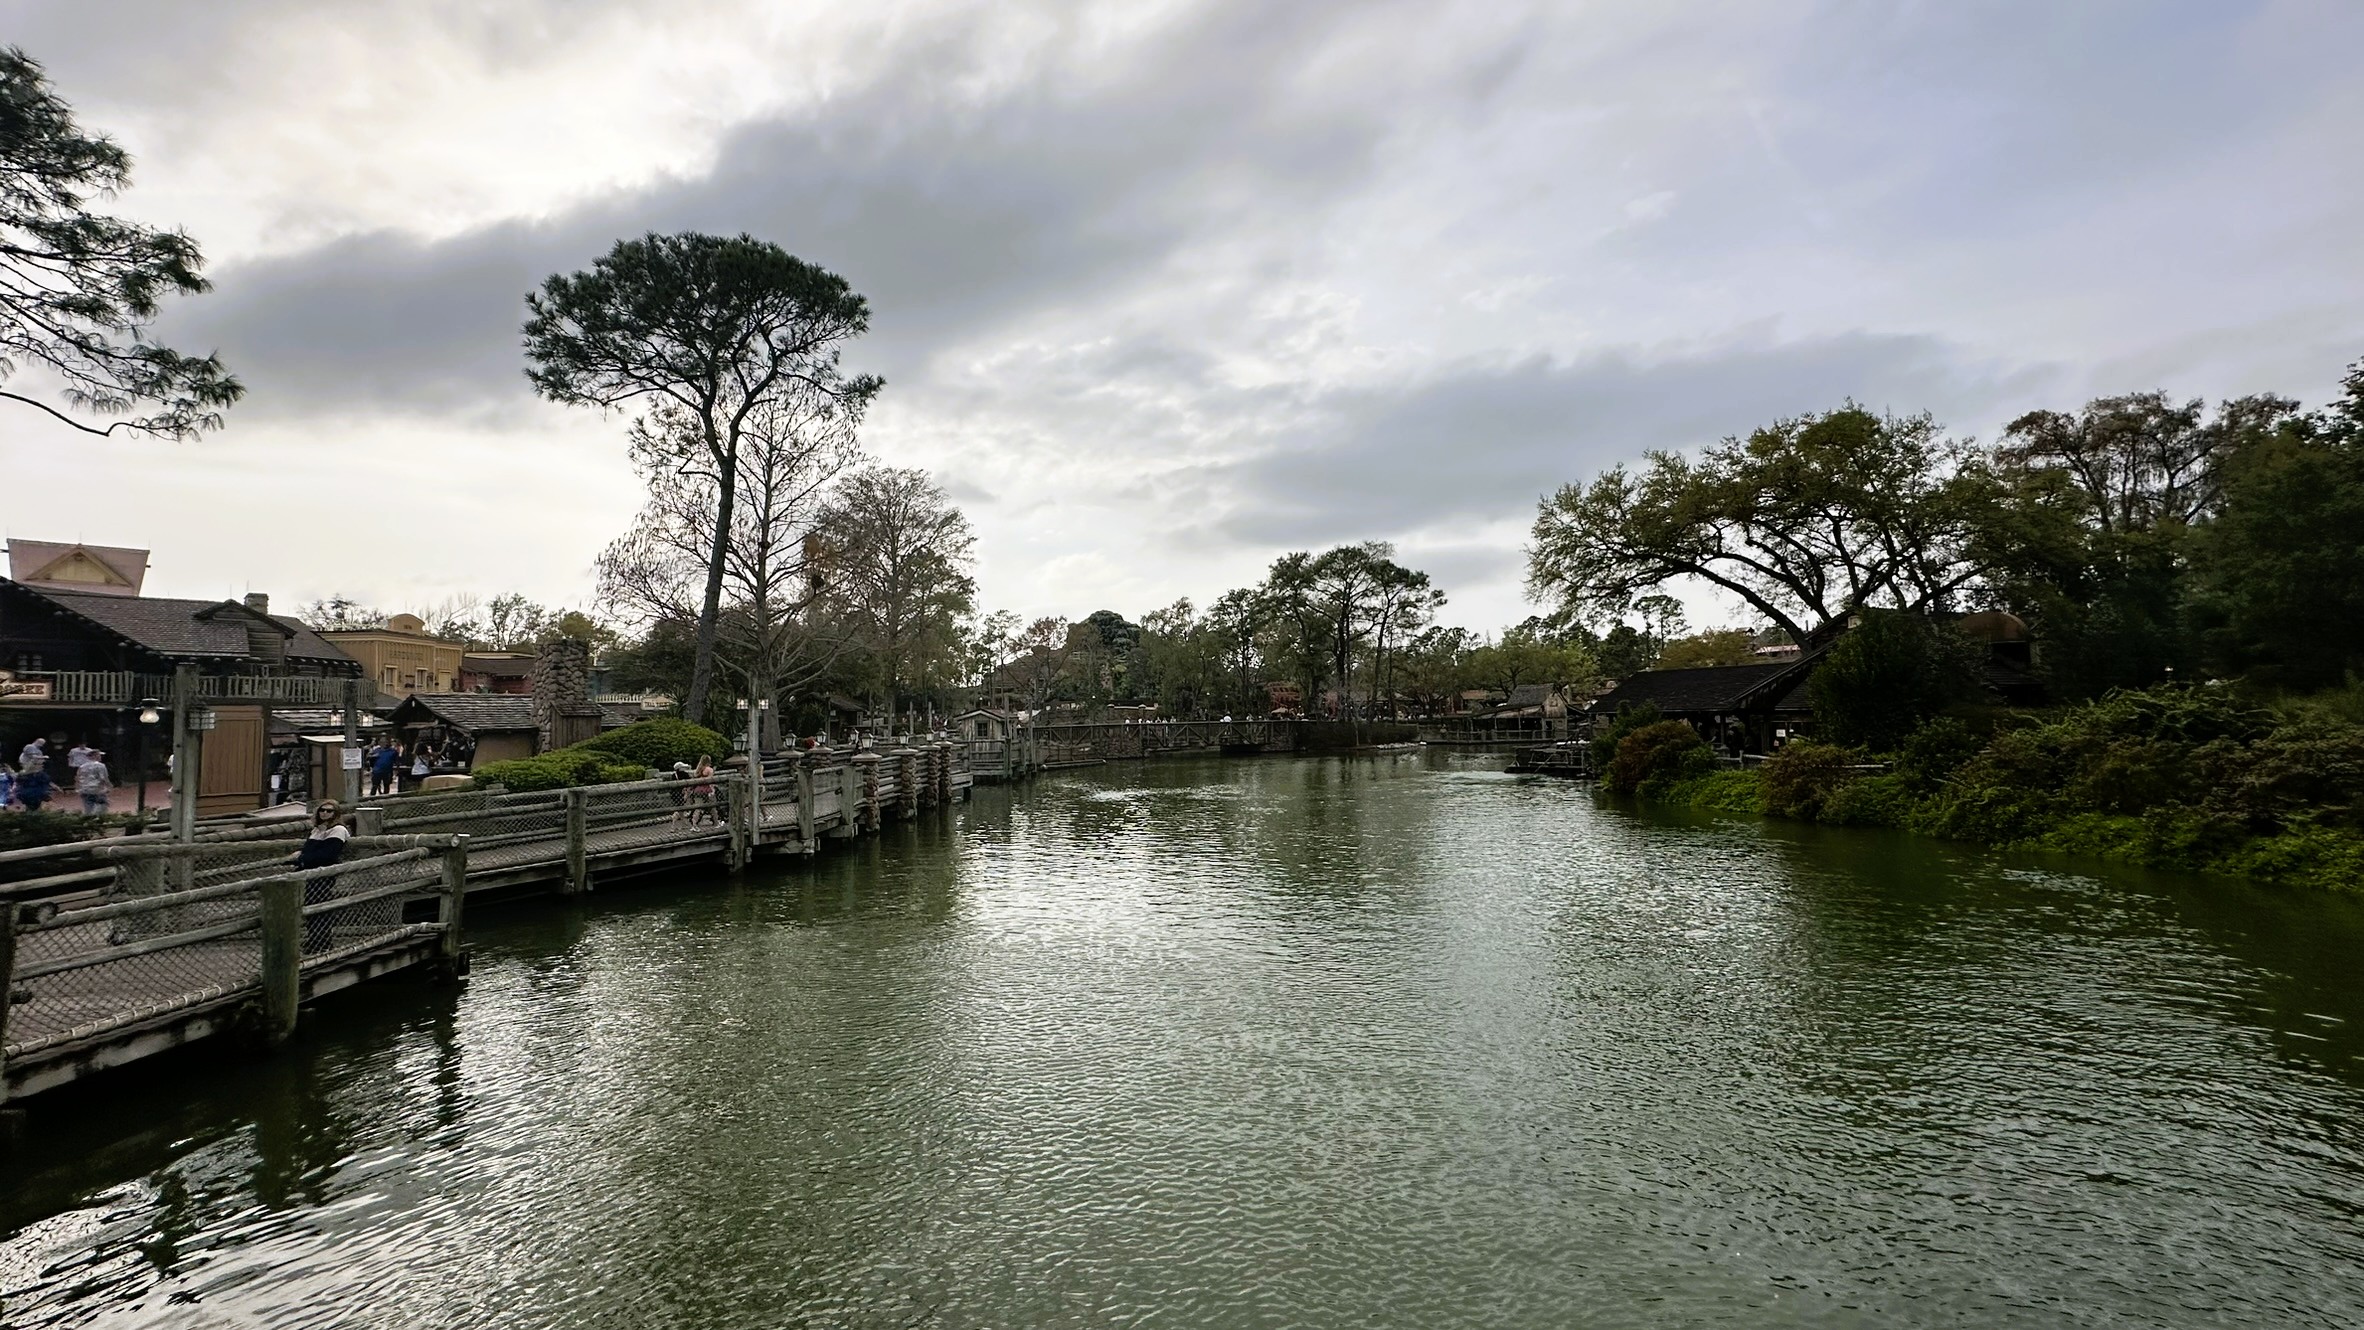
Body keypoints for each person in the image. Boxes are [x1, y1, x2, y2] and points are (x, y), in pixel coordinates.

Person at [293, 799, 350, 953]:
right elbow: (308, 851)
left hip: (324, 873)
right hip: (309, 873)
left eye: (329, 811)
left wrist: (302, 859)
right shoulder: (317, 830)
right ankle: (315, 939)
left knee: (320, 907)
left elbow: (327, 855)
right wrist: (303, 859)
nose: (325, 813)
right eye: (322, 810)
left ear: (336, 814)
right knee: (311, 906)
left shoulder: (338, 830)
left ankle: (322, 941)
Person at [75, 748, 110, 814]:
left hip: (85, 789)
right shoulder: (101, 765)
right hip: (97, 789)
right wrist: (108, 786)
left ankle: (89, 819)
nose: (100, 757)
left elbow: (78, 777)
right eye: (99, 755)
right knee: (102, 806)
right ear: (94, 756)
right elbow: (103, 778)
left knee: (88, 807)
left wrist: (78, 788)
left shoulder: (82, 766)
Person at [687, 755, 717, 826]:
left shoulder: (698, 769)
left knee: (698, 808)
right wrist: (713, 791)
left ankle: (694, 824)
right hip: (707, 790)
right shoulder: (709, 769)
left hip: (698, 790)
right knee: (713, 807)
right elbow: (710, 781)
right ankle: (716, 822)